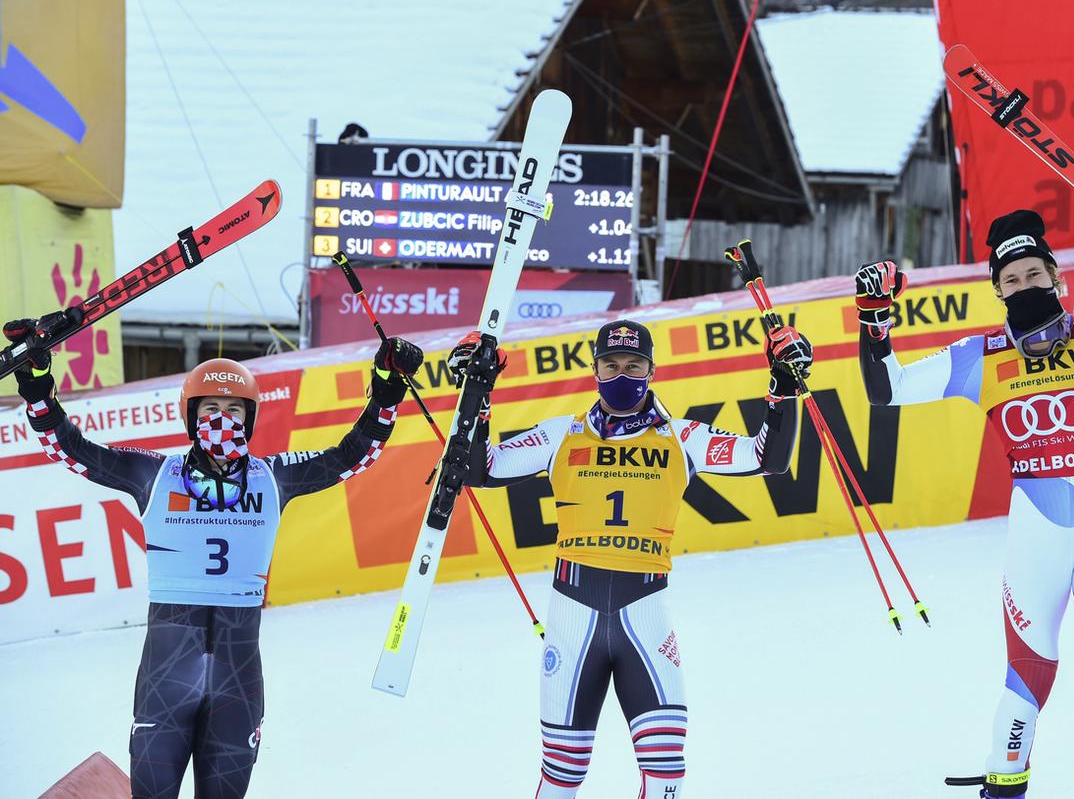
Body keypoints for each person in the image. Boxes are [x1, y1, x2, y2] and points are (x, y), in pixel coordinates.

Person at [854, 211, 1074, 799]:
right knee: (1028, 679)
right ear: (997, 289)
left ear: (1058, 279)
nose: (1026, 287)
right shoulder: (980, 355)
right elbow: (887, 390)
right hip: (1037, 539)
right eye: (1013, 280)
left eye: (1035, 275)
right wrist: (874, 319)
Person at [4, 316, 423, 799]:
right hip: (166, 682)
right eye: (211, 408)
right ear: (190, 416)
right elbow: (71, 450)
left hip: (237, 684)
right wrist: (36, 386)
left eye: (233, 409)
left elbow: (351, 456)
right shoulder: (154, 474)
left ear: (250, 417)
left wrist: (387, 392)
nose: (222, 418)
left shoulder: (274, 477)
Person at [449, 318, 810, 798]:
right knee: (562, 772)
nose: (622, 375)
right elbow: (479, 468)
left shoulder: (682, 438)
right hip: (573, 615)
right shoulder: (562, 434)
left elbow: (768, 459)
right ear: (595, 369)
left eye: (633, 365)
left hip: (646, 615)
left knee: (666, 771)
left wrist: (783, 385)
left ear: (651, 371)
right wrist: (477, 390)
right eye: (611, 364)